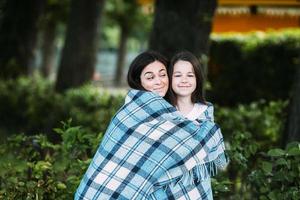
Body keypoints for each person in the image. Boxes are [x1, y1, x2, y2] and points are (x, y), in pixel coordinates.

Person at [75, 51, 228, 200]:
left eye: (162, 74)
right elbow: (122, 164)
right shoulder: (133, 112)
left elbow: (204, 162)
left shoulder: (204, 116)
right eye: (150, 77)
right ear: (139, 81)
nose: (158, 81)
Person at [152, 51, 227, 199]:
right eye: (178, 75)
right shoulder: (160, 113)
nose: (184, 80)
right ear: (169, 79)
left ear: (198, 79)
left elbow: (216, 162)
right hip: (164, 192)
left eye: (190, 75)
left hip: (197, 190)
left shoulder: (206, 114)